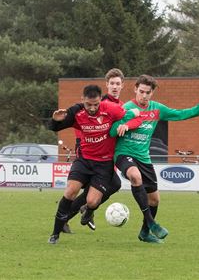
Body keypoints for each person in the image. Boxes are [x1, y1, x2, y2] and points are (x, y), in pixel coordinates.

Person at [110, 74, 199, 244]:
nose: (144, 96)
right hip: (124, 154)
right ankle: (151, 223)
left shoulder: (157, 109)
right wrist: (122, 124)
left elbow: (180, 114)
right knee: (135, 177)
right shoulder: (126, 108)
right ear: (135, 89)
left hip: (144, 157)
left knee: (155, 199)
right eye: (141, 91)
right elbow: (112, 131)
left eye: (148, 93)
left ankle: (144, 233)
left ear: (152, 93)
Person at [48, 84, 141, 244]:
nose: (92, 108)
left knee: (92, 201)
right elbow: (55, 127)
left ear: (100, 100)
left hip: (104, 164)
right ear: (83, 100)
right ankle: (55, 234)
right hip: (84, 161)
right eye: (88, 104)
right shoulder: (76, 112)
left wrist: (127, 124)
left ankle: (88, 211)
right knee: (70, 191)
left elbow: (137, 117)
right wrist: (55, 121)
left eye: (96, 104)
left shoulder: (111, 109)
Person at [63, 68, 125, 233]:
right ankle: (82, 212)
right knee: (110, 185)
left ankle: (83, 211)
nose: (114, 87)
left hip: (107, 155)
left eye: (118, 84)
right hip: (91, 155)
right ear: (106, 85)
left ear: (122, 86)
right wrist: (79, 142)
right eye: (112, 83)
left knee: (112, 185)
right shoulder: (98, 103)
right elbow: (79, 119)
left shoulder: (120, 106)